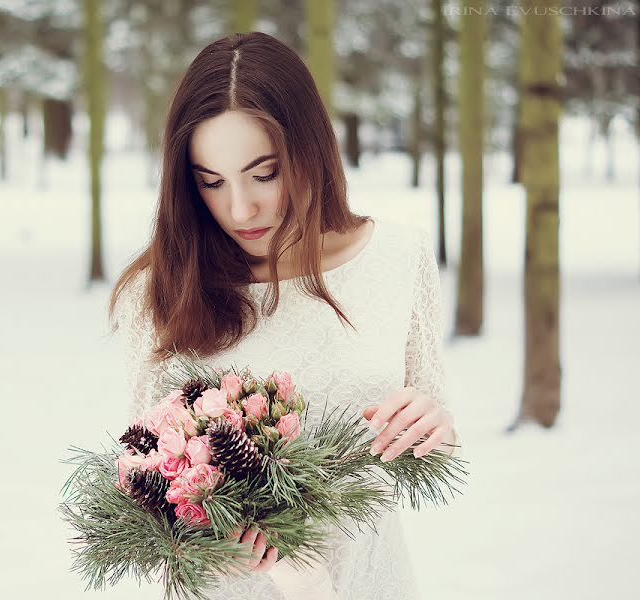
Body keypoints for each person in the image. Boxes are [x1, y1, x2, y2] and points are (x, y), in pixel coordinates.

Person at [109, 31, 460, 599]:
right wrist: (213, 540)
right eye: (211, 183)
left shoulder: (398, 258)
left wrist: (433, 421)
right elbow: (142, 502)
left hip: (370, 582)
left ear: (310, 150)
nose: (239, 208)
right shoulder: (162, 290)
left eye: (264, 173)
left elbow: (432, 425)